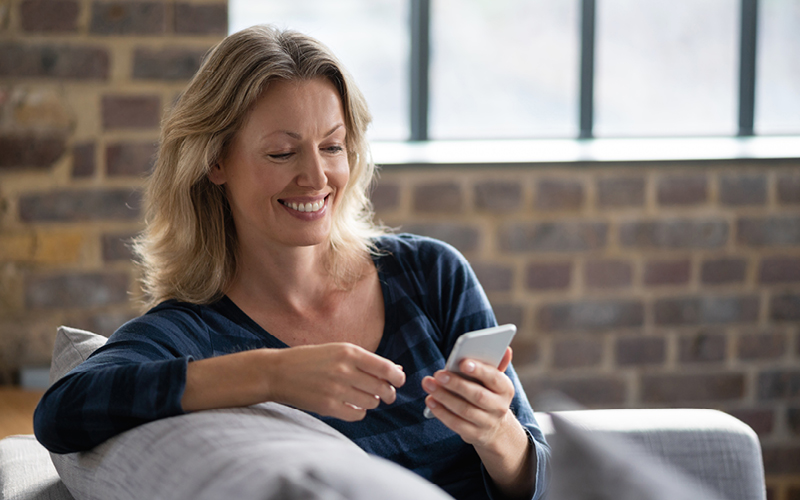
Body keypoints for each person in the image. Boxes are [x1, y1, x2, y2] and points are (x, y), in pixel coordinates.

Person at [34, 25, 549, 500]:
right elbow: (62, 412)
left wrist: (495, 431)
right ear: (215, 161)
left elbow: (540, 473)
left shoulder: (430, 272)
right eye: (282, 153)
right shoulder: (193, 330)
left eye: (333, 146)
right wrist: (273, 374)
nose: (316, 176)